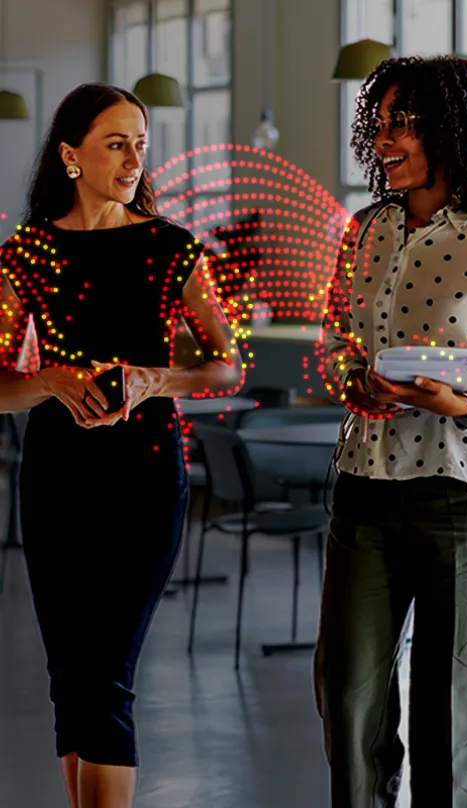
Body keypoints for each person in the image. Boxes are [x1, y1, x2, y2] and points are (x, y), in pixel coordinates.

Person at [315, 56, 467, 808]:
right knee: (348, 701)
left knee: (455, 717)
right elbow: (335, 341)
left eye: (405, 125)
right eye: (381, 123)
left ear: (452, 133)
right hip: (364, 482)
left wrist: (461, 406)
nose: (384, 139)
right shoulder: (363, 231)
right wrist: (352, 379)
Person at [0, 83, 242, 808]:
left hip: (146, 478)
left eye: (140, 143)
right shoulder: (26, 253)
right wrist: (47, 379)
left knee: (105, 673)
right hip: (55, 478)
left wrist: (156, 379)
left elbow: (226, 365)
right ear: (70, 155)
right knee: (71, 677)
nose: (134, 159)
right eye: (116, 144)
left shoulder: (173, 249)